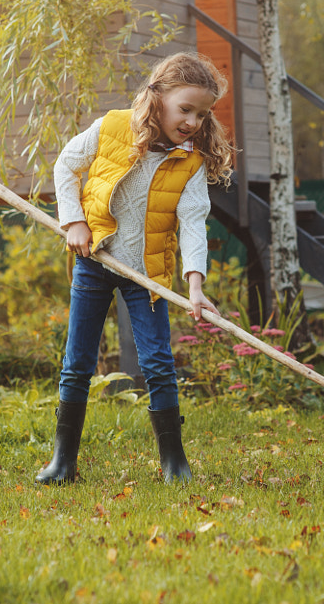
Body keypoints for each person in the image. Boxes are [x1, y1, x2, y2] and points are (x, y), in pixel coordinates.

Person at [37, 52, 235, 485]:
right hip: (95, 261)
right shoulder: (111, 128)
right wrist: (73, 222)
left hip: (147, 276)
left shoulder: (191, 164)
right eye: (186, 109)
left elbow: (193, 226)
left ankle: (174, 464)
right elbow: (66, 166)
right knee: (78, 362)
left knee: (159, 363)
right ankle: (63, 462)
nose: (193, 121)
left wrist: (195, 286)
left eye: (202, 114)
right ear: (157, 97)